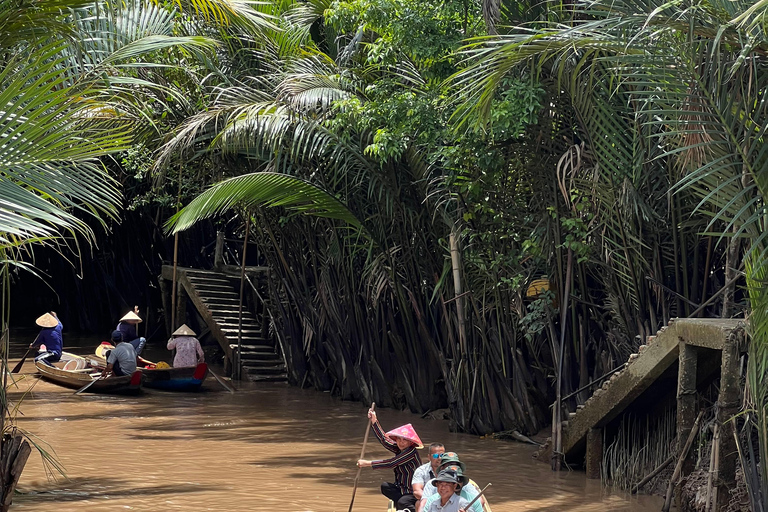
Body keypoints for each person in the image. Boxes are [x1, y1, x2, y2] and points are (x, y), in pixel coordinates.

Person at [357, 408, 422, 511]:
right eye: (399, 439)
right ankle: (401, 505)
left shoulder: (411, 452)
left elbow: (392, 463)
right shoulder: (399, 448)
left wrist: (367, 463)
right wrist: (374, 421)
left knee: (402, 502)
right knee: (385, 487)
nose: (401, 442)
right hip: (400, 489)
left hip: (412, 492)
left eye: (404, 440)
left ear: (410, 442)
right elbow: (384, 440)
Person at [417, 453, 487, 512]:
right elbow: (423, 504)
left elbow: (480, 502)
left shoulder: (464, 502)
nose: (443, 487)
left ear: (455, 486)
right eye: (440, 483)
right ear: (437, 485)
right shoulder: (433, 502)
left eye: (447, 484)